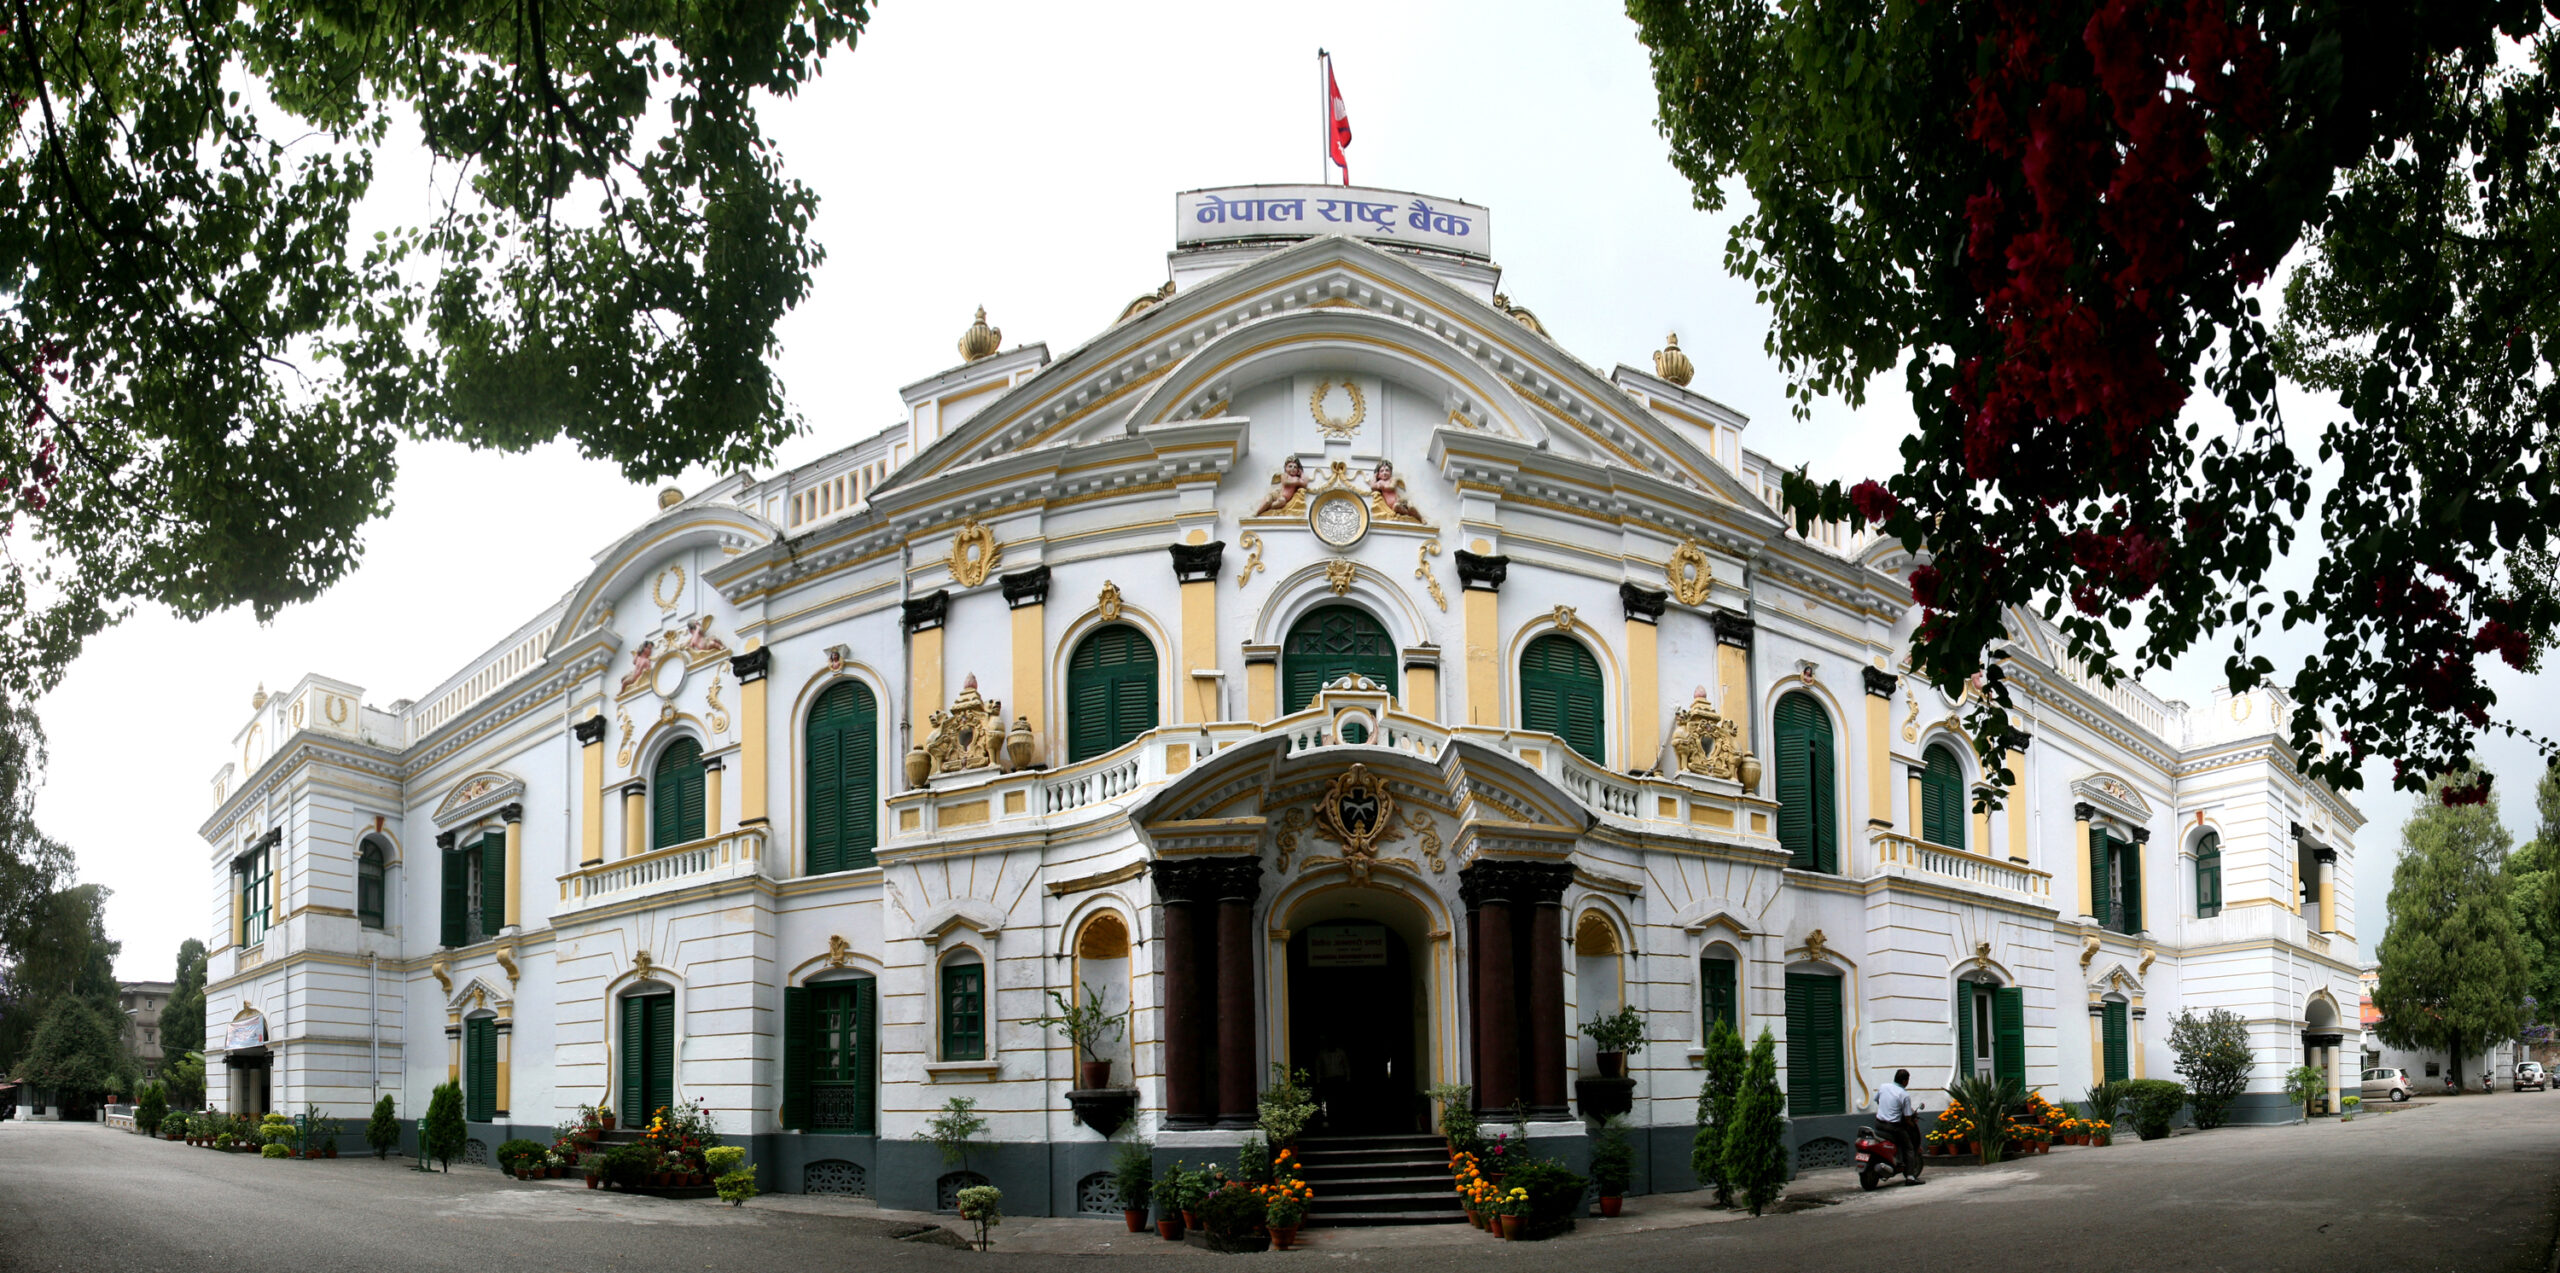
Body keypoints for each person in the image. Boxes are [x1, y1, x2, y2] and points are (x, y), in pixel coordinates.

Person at [1875, 1068, 1923, 1183]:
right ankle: (1910, 1177)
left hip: (1878, 1124)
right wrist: (1913, 1126)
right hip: (1893, 1127)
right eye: (1908, 1080)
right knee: (1909, 1147)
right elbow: (1907, 1119)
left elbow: (1878, 1100)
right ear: (1904, 1081)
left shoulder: (1883, 1087)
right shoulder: (1904, 1095)